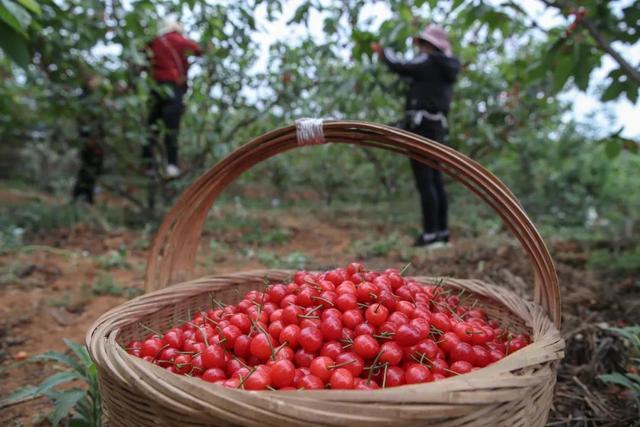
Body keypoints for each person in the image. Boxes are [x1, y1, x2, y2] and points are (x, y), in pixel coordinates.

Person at [372, 25, 460, 247]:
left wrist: (384, 53)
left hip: (422, 126)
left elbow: (401, 66)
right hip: (437, 125)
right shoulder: (446, 67)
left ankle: (430, 235)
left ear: (429, 45)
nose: (419, 49)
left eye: (421, 44)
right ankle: (442, 233)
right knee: (435, 180)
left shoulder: (429, 61)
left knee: (425, 181)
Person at [143, 17, 203, 178]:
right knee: (172, 128)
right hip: (173, 87)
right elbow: (199, 50)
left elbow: (143, 55)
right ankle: (171, 165)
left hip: (156, 87)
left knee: (151, 126)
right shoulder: (179, 40)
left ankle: (148, 164)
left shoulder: (155, 41)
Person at [72, 75, 105, 205]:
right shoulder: (84, 99)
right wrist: (86, 138)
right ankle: (80, 196)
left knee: (95, 169)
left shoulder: (97, 99)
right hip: (88, 140)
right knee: (86, 168)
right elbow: (82, 121)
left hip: (97, 140)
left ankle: (87, 196)